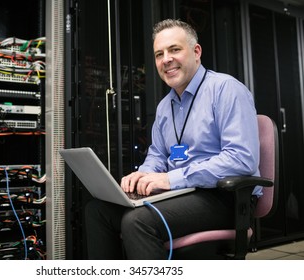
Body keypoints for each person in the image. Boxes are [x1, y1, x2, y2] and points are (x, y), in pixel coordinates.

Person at [84, 19, 260, 260]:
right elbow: (157, 154)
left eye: (174, 50)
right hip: (183, 194)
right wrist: (144, 176)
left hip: (227, 198)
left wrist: (169, 179)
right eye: (159, 54)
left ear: (196, 52)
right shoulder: (165, 106)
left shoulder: (226, 89)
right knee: (98, 211)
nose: (166, 59)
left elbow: (241, 160)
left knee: (137, 222)